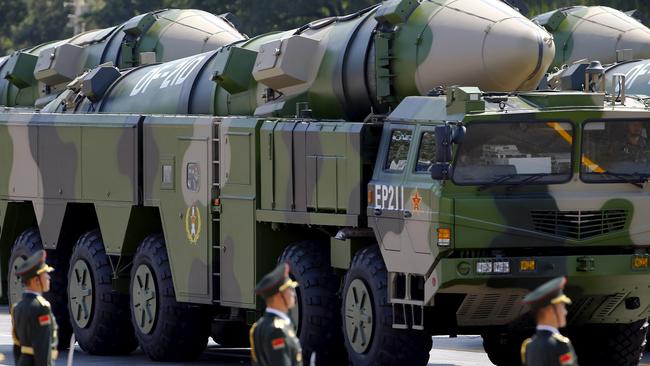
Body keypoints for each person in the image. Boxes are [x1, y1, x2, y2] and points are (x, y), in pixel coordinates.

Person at [11, 250, 59, 366]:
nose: (48, 277)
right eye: (45, 274)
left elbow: (17, 346)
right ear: (36, 280)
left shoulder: (17, 307)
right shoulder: (41, 307)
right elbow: (42, 348)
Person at [249, 263, 303, 366]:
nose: (293, 294)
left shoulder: (259, 326)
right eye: (290, 289)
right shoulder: (278, 331)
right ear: (279, 295)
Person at [520, 277, 578, 366]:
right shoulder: (560, 345)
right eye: (561, 307)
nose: (565, 312)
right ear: (550, 310)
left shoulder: (529, 346)